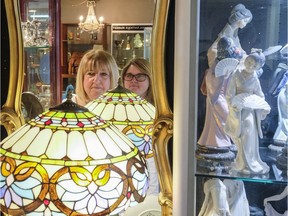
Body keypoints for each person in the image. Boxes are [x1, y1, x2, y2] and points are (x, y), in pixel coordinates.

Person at [224, 49, 271, 175]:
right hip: (238, 111)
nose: (250, 66)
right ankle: (241, 162)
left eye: (254, 65)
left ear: (259, 67)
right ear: (246, 60)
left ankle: (250, 162)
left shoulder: (255, 78)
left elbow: (260, 95)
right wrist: (233, 105)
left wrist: (263, 107)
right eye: (249, 62)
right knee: (239, 137)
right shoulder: (236, 74)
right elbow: (229, 94)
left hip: (249, 112)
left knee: (249, 136)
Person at [198, 36, 243, 148]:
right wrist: (222, 77)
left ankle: (218, 141)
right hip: (217, 97)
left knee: (219, 121)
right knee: (226, 119)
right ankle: (221, 141)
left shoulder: (223, 66)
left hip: (221, 97)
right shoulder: (216, 67)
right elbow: (213, 82)